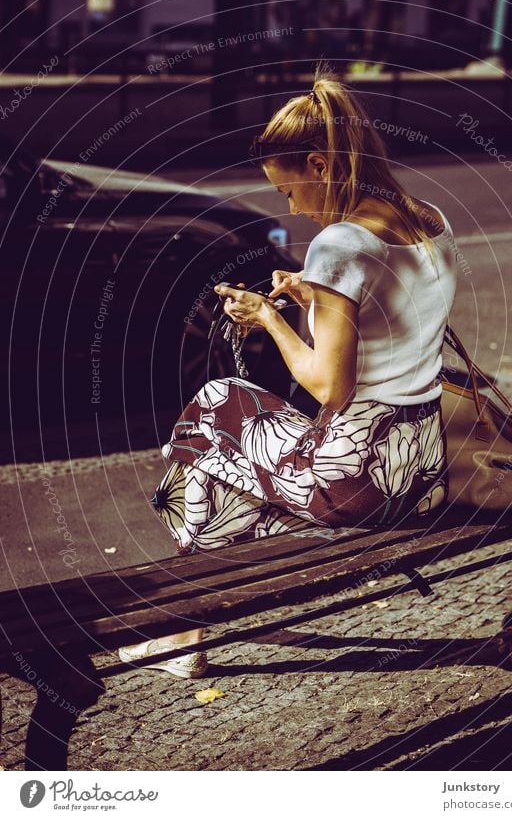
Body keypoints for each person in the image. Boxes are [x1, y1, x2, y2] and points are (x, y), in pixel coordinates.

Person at [119, 66, 457, 679]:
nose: (292, 206)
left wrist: (266, 320)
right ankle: (190, 624)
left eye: (290, 189)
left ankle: (183, 630)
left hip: (358, 476)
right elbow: (392, 324)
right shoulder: (429, 219)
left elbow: (330, 387)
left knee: (213, 416)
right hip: (424, 462)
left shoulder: (340, 244)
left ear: (320, 166)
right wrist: (312, 300)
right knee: (223, 441)